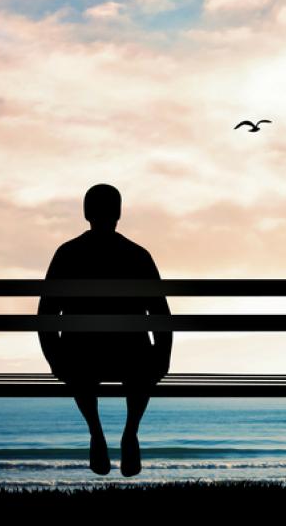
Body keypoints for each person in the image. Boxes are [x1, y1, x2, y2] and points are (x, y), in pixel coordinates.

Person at [37, 183, 172, 477]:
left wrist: (53, 358)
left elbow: (46, 314)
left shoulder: (67, 253)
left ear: (86, 213)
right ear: (119, 213)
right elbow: (160, 313)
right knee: (144, 364)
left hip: (81, 356)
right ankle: (130, 431)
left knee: (75, 363)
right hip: (132, 356)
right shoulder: (138, 255)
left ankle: (96, 433)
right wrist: (163, 357)